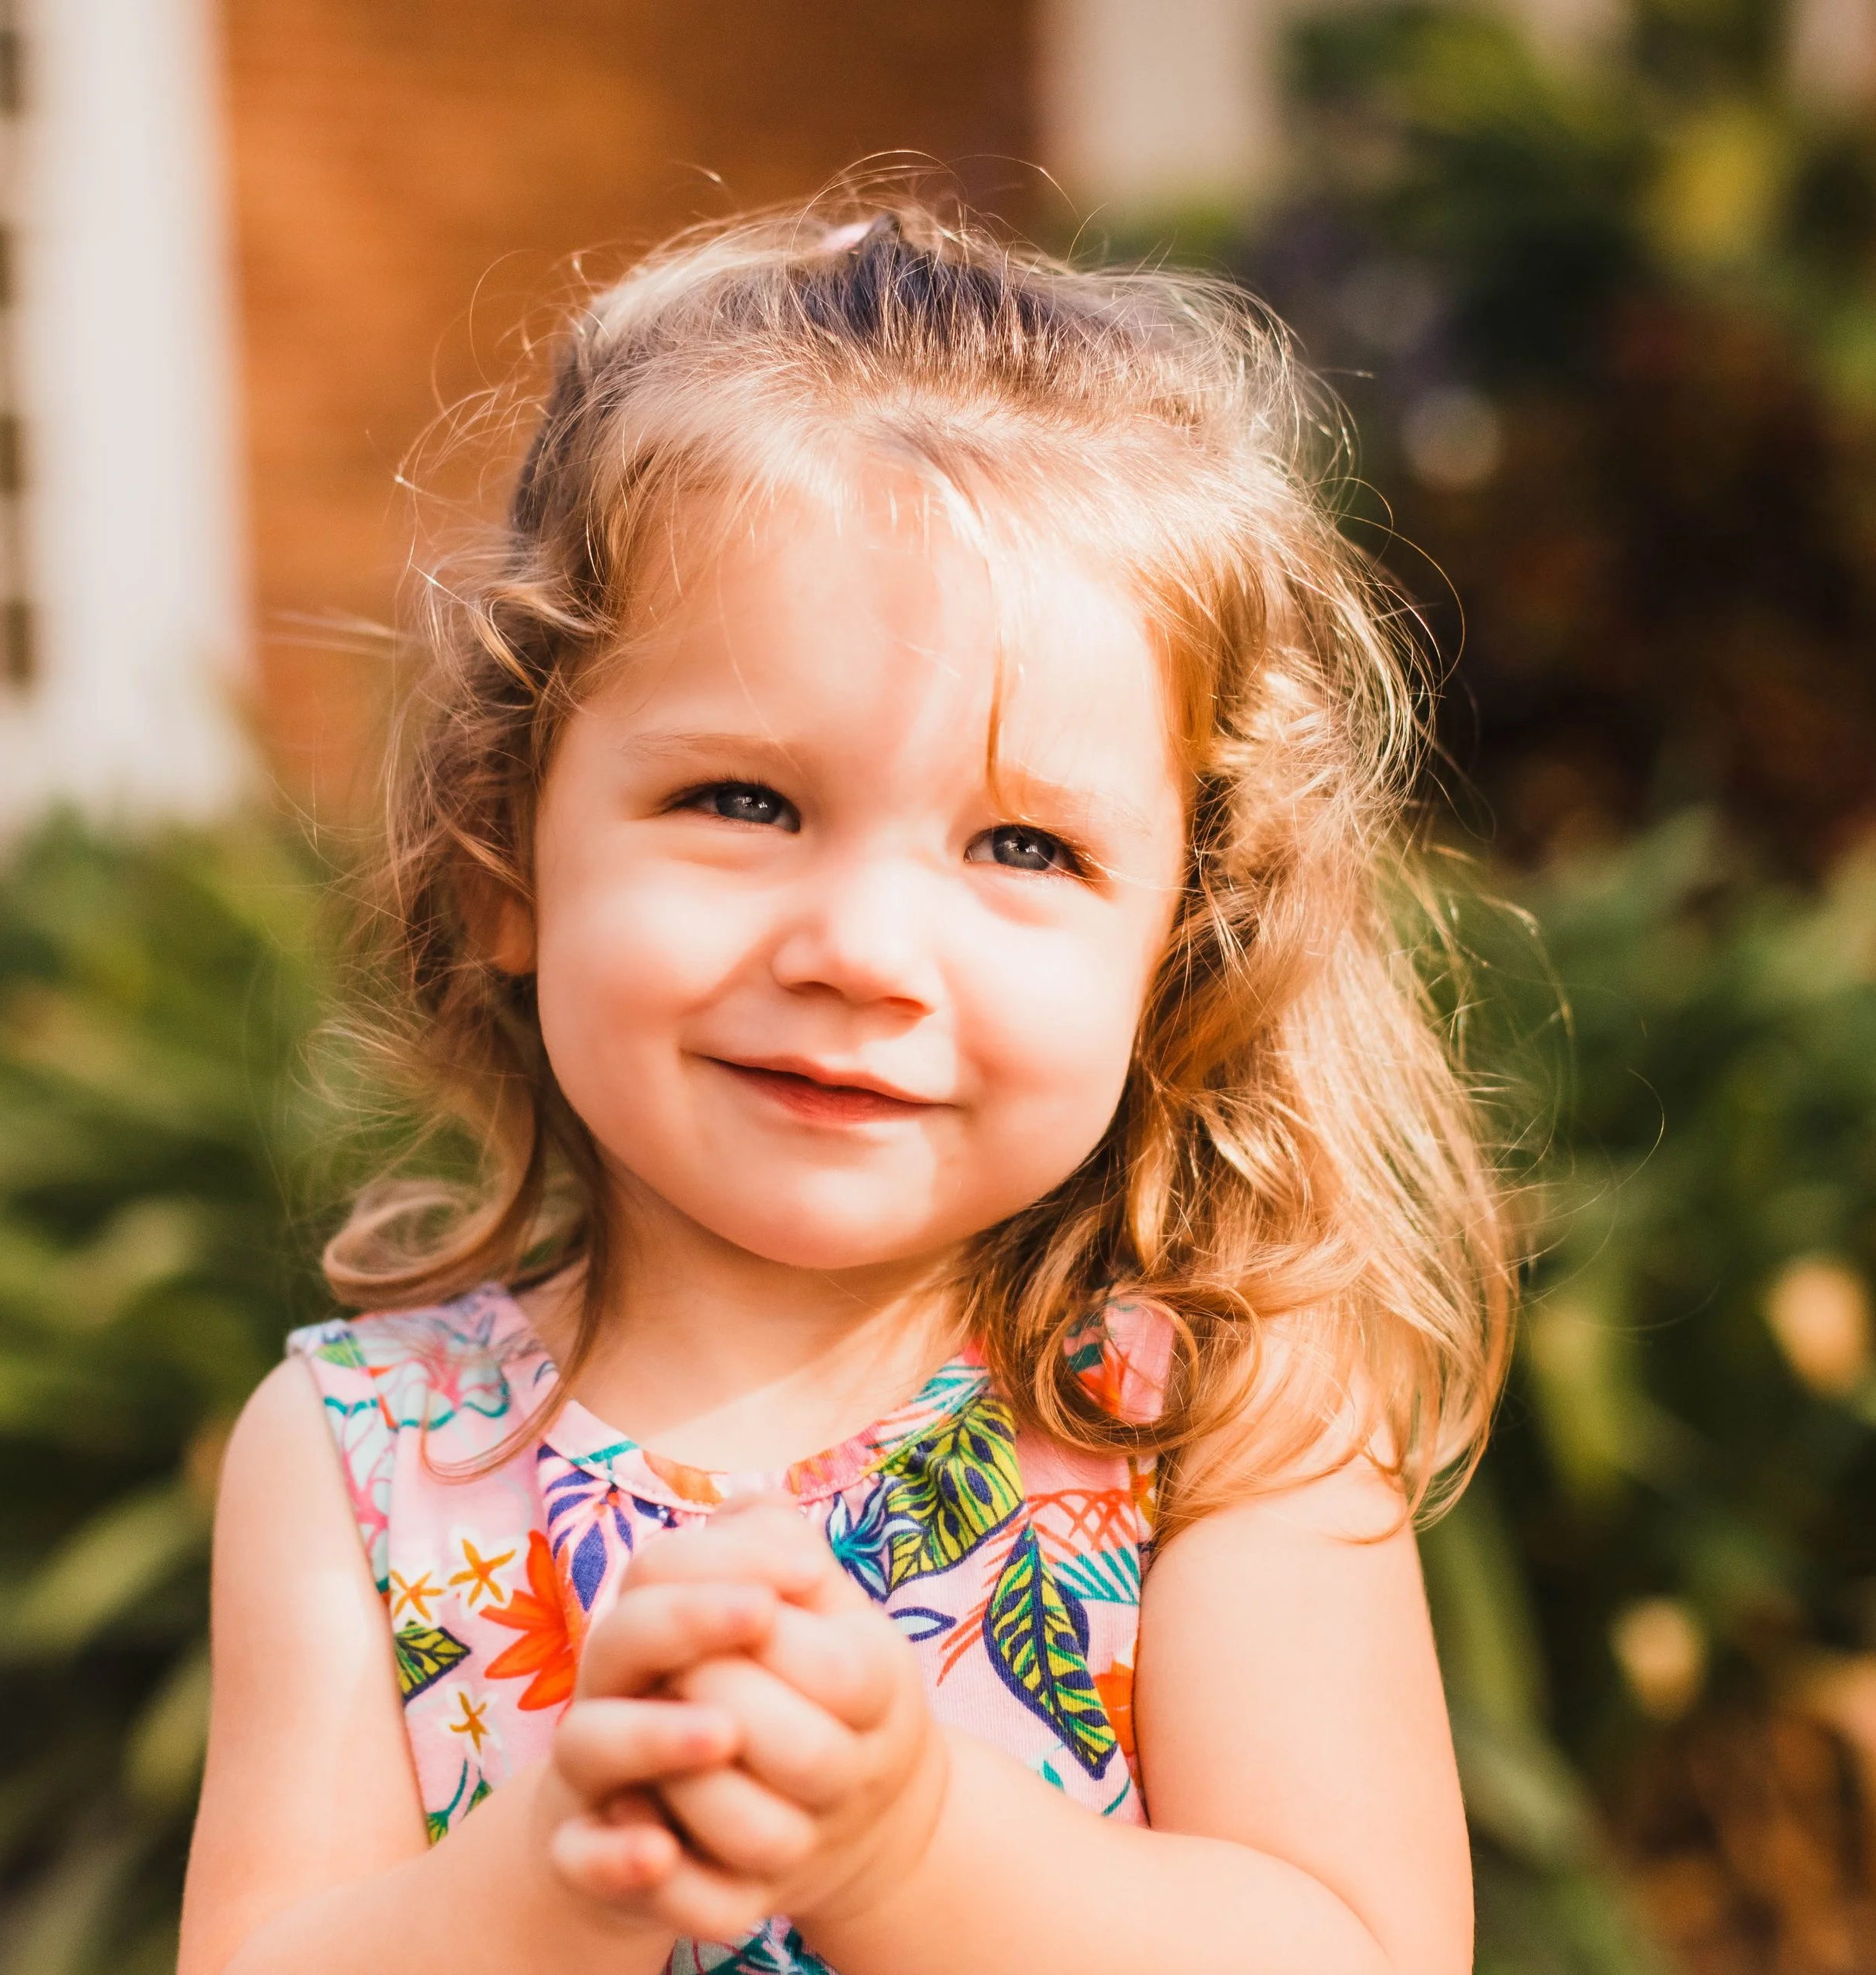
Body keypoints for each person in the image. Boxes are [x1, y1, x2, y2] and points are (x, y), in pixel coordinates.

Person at [178, 198, 1514, 1975]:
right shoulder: (364, 1456)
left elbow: (1351, 1951)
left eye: (1022, 844)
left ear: (1178, 944)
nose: (864, 949)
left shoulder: (1218, 1428)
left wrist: (911, 1846)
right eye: (741, 801)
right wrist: (561, 1878)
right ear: (503, 854)